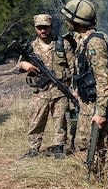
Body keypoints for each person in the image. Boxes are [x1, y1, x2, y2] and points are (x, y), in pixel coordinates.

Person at [60, 0, 108, 151]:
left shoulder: (94, 43)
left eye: (68, 18)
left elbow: (104, 81)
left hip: (94, 106)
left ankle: (99, 174)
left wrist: (101, 113)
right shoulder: (82, 41)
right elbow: (83, 70)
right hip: (86, 103)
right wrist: (77, 89)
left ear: (77, 21)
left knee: (91, 147)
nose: (66, 21)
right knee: (83, 145)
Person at [19, 14, 75, 159]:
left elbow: (74, 67)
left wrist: (74, 89)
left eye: (46, 27)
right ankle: (33, 149)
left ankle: (59, 148)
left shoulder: (62, 44)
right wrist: (24, 65)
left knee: (60, 121)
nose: (43, 30)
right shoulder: (30, 47)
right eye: (39, 27)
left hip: (60, 91)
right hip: (40, 92)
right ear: (35, 28)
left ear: (51, 27)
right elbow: (19, 64)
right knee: (36, 121)